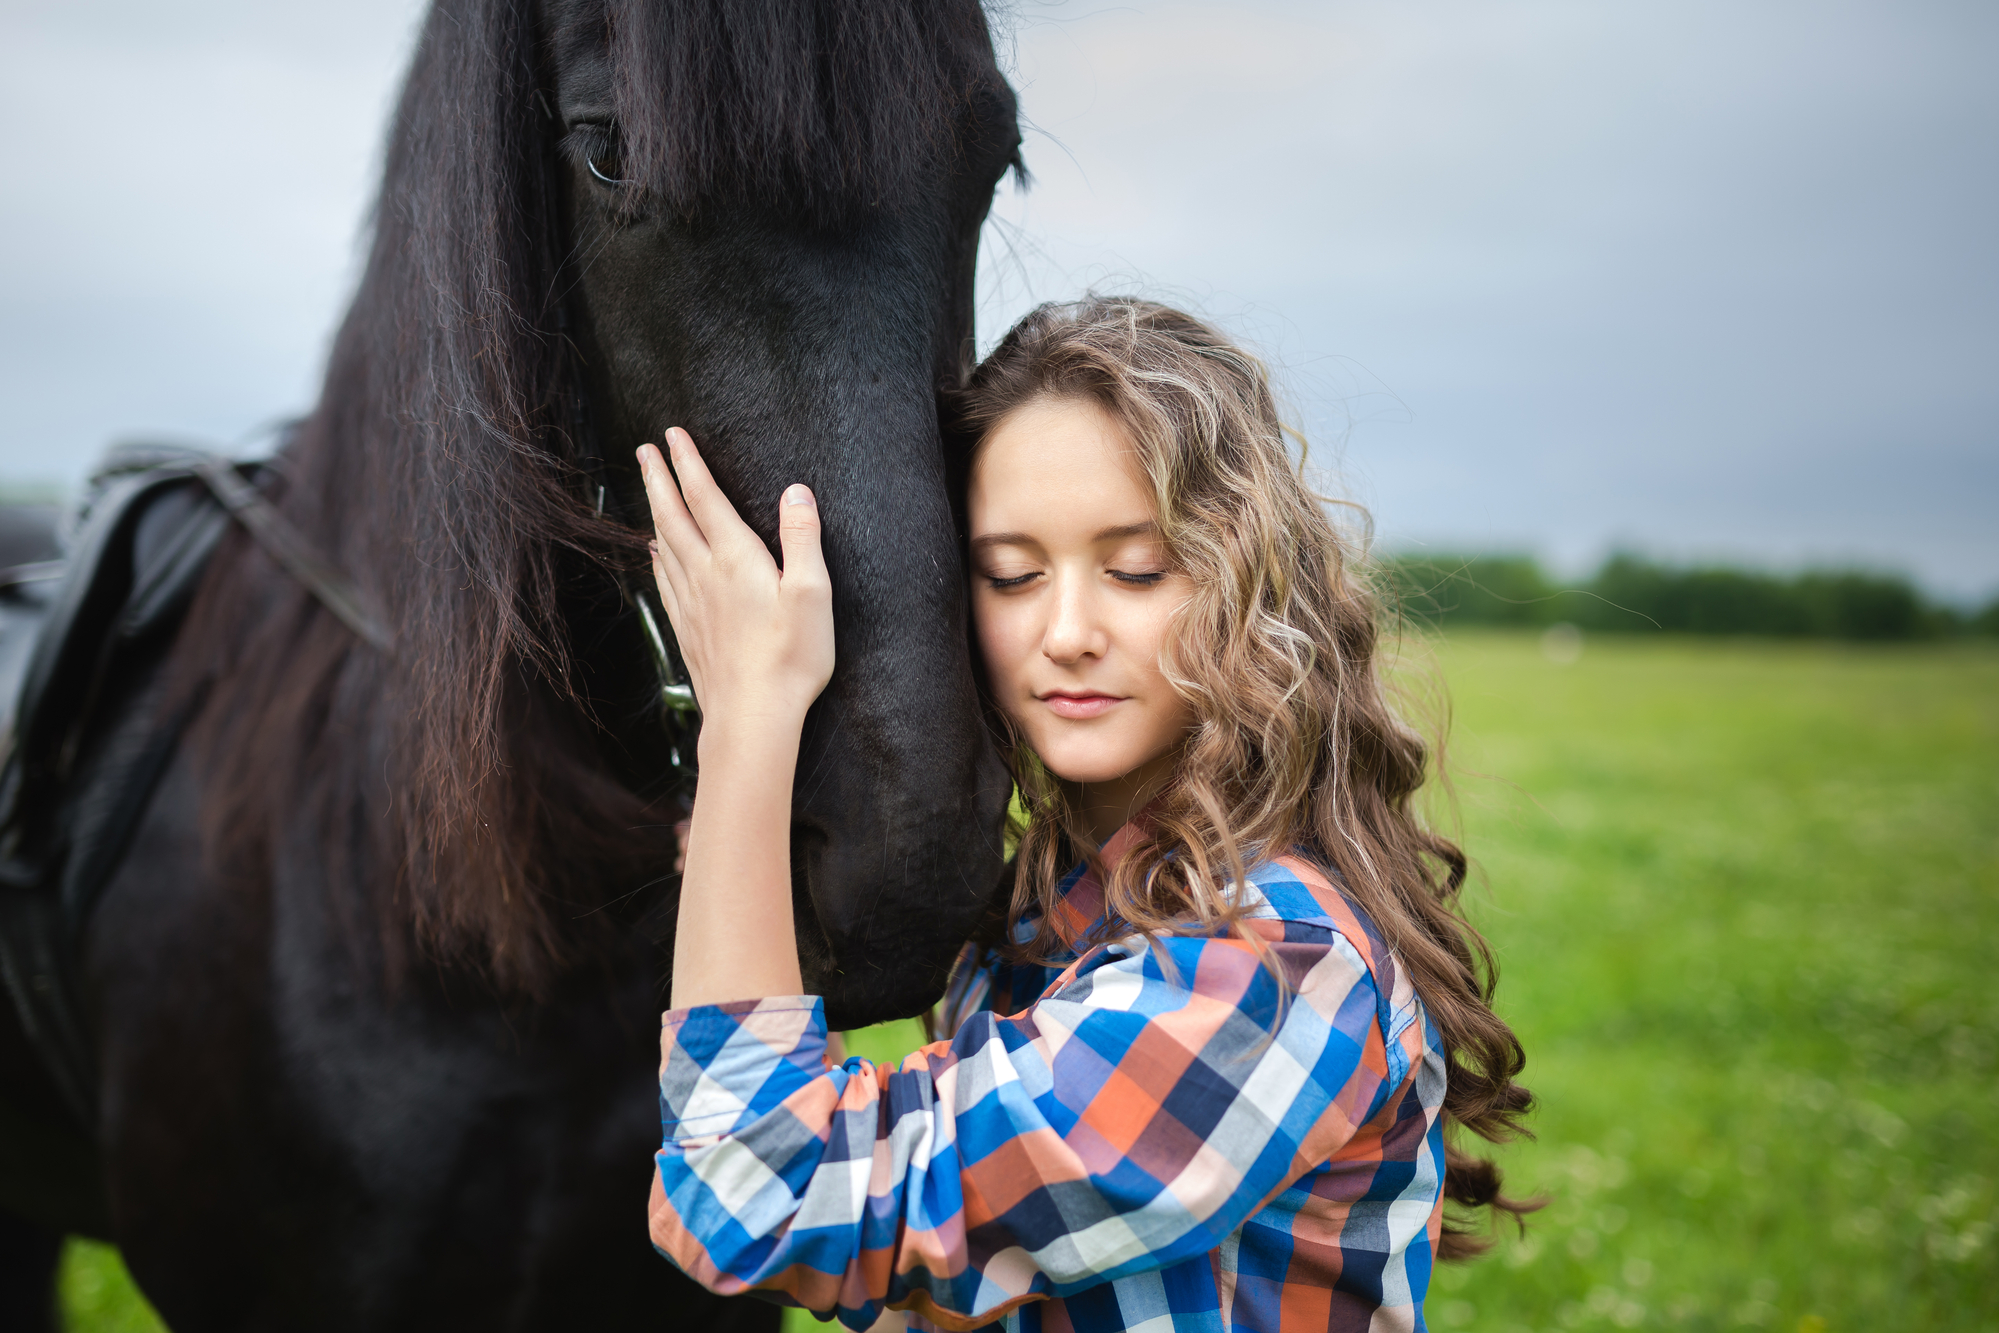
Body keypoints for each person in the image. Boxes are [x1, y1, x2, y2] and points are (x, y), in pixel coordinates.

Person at [635, 297, 1533, 1333]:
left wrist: (749, 717)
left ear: (1252, 585)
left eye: (1137, 569)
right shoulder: (1050, 916)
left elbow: (755, 1199)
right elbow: (944, 1287)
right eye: (1012, 574)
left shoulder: (1269, 967)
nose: (1066, 631)